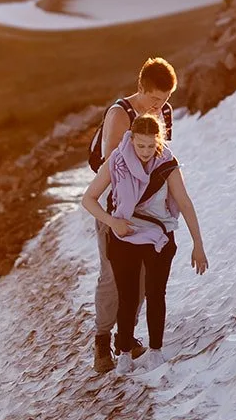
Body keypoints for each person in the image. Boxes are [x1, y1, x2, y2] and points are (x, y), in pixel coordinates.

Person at [81, 112, 208, 374]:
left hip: (159, 236)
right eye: (141, 145)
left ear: (158, 141)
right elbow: (89, 199)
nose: (146, 151)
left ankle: (155, 351)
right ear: (131, 138)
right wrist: (112, 221)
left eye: (151, 145)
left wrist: (198, 244)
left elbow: (184, 203)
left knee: (155, 294)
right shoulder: (116, 160)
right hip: (123, 234)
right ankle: (124, 353)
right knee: (127, 297)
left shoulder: (167, 164)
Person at [90, 57, 178, 374]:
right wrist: (116, 218)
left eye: (165, 100)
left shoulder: (163, 112)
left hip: (148, 213)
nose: (159, 106)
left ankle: (123, 338)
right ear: (141, 88)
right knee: (113, 276)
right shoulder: (119, 115)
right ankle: (101, 341)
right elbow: (111, 167)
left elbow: (160, 159)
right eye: (155, 99)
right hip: (114, 209)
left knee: (141, 280)